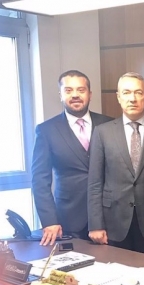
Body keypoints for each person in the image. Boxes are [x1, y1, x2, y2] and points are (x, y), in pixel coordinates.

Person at [32, 70, 113, 245]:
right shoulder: (47, 130)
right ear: (60, 95)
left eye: (81, 90)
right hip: (68, 219)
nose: (75, 95)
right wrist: (49, 220)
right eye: (68, 90)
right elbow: (40, 180)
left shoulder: (110, 125)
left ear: (90, 94)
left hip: (109, 216)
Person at [87, 72, 144, 255]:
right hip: (113, 221)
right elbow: (95, 182)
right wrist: (96, 225)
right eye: (127, 92)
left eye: (138, 92)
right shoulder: (102, 132)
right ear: (118, 97)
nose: (132, 98)